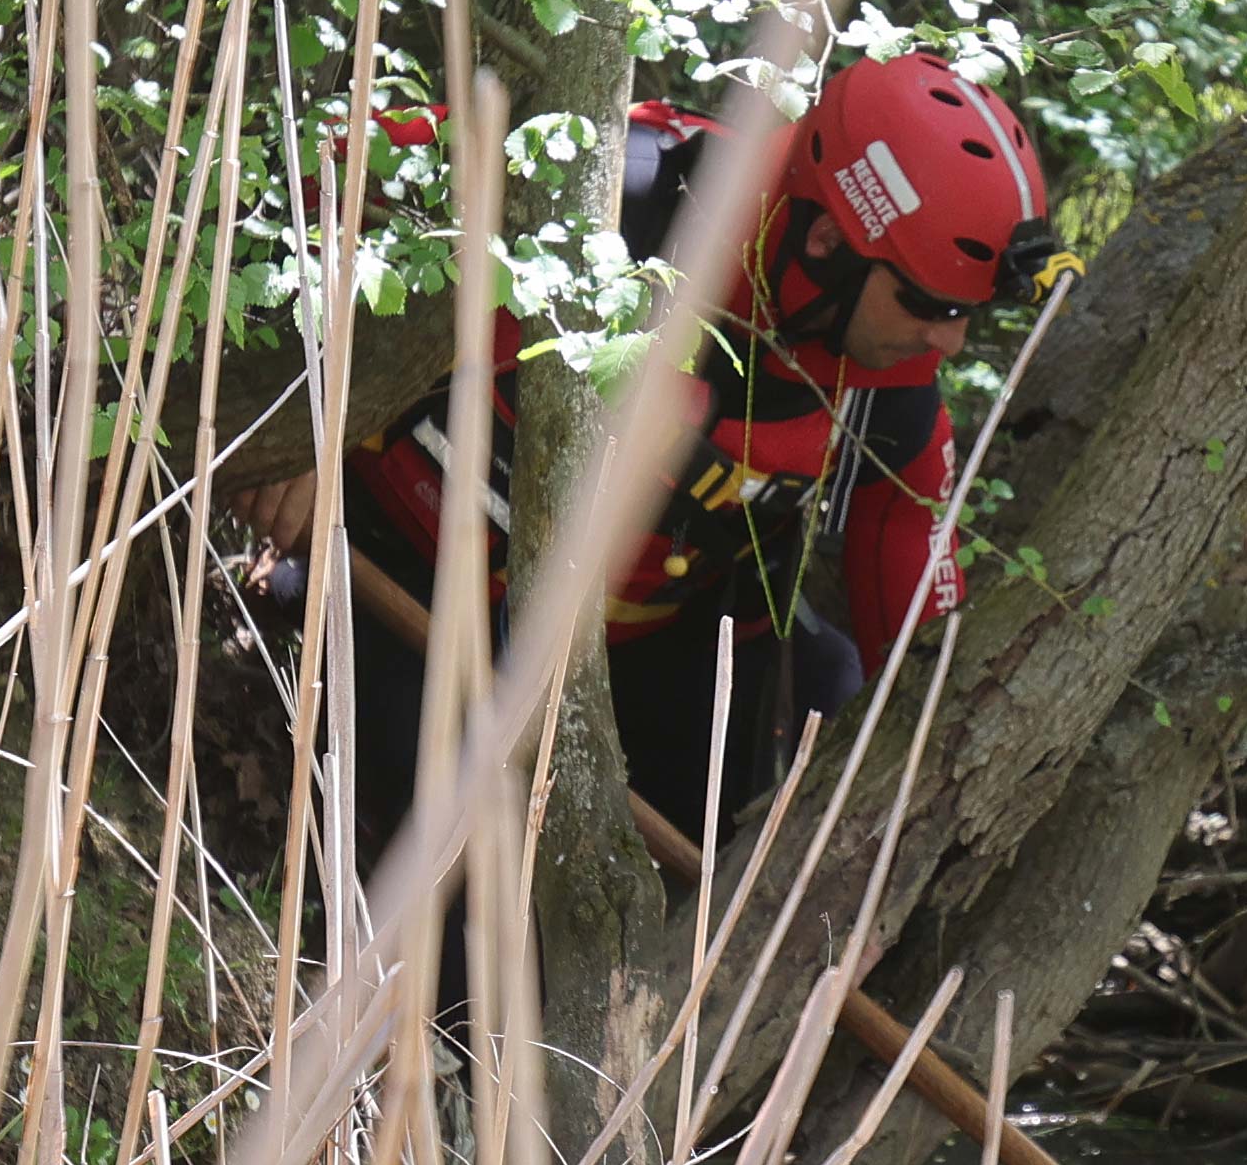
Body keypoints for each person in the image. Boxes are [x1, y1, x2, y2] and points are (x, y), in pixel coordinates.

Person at [329, 53, 1060, 858]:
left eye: (969, 314)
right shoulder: (616, 192)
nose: (949, 342)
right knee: (447, 841)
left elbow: (922, 646)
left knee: (819, 686)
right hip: (399, 577)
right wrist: (298, 425)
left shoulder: (889, 393)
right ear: (825, 240)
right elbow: (315, 170)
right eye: (931, 303)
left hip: (626, 653)